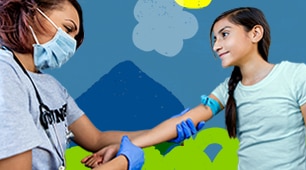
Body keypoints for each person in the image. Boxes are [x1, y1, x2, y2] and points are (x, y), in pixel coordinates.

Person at [86, 7, 306, 170]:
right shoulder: (228, 90)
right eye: (214, 39)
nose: (217, 45)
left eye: (224, 35)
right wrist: (123, 146)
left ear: (255, 33)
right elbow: (182, 121)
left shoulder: (296, 76)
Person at [0, 0, 204, 170]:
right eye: (68, 29)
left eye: (74, 37)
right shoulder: (5, 74)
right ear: (30, 12)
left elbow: (96, 139)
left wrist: (165, 133)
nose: (70, 44)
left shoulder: (52, 86)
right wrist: (122, 163)